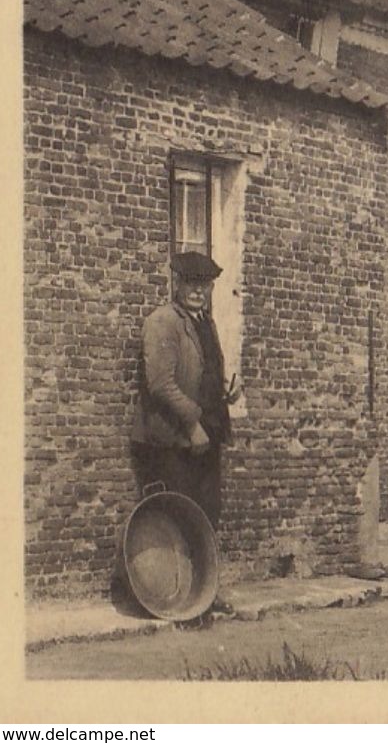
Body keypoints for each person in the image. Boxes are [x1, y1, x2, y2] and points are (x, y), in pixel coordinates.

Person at [131, 250, 240, 612]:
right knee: (180, 515)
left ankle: (203, 595)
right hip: (173, 440)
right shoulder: (163, 321)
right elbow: (161, 384)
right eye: (191, 283)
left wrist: (226, 389)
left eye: (204, 285)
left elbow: (204, 370)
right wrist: (192, 424)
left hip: (207, 433)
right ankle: (178, 600)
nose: (198, 291)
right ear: (177, 283)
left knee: (208, 512)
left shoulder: (204, 322)